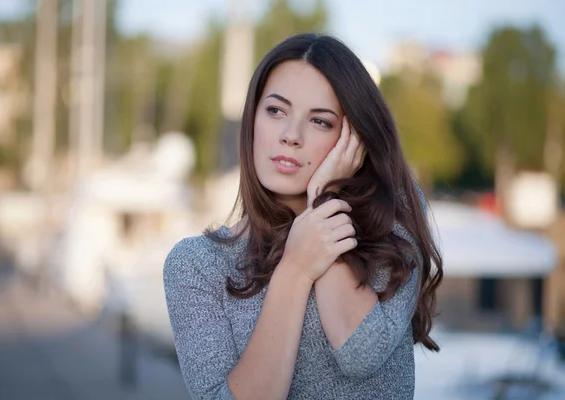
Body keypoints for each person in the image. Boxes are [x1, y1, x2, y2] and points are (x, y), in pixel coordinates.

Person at [163, 33, 443, 400]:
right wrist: (294, 270)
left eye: (320, 121)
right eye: (276, 111)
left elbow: (360, 351)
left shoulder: (393, 214)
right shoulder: (197, 266)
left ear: (353, 136)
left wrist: (324, 201)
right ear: (252, 120)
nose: (291, 135)